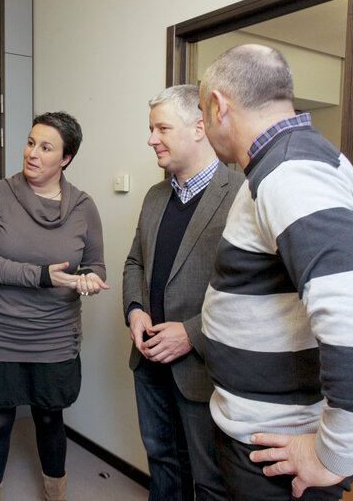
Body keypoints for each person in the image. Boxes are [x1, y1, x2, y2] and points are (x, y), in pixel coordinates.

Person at [198, 44, 353, 500]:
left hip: (276, 451)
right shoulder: (285, 163)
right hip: (262, 434)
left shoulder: (290, 173)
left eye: (201, 109)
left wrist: (331, 455)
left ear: (218, 105)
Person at [0, 112, 108, 501]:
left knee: (49, 417)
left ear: (66, 159)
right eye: (31, 142)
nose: (32, 153)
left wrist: (89, 281)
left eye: (46, 147)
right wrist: (41, 276)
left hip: (56, 334)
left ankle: (55, 493)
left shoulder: (84, 206)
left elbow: (95, 266)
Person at [123, 85, 243, 501]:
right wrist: (135, 310)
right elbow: (135, 262)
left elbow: (250, 293)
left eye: (162, 128)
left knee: (209, 479)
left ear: (198, 128)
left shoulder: (242, 195)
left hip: (203, 368)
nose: (151, 138)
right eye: (151, 128)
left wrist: (190, 334)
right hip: (149, 360)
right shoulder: (156, 197)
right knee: (162, 463)